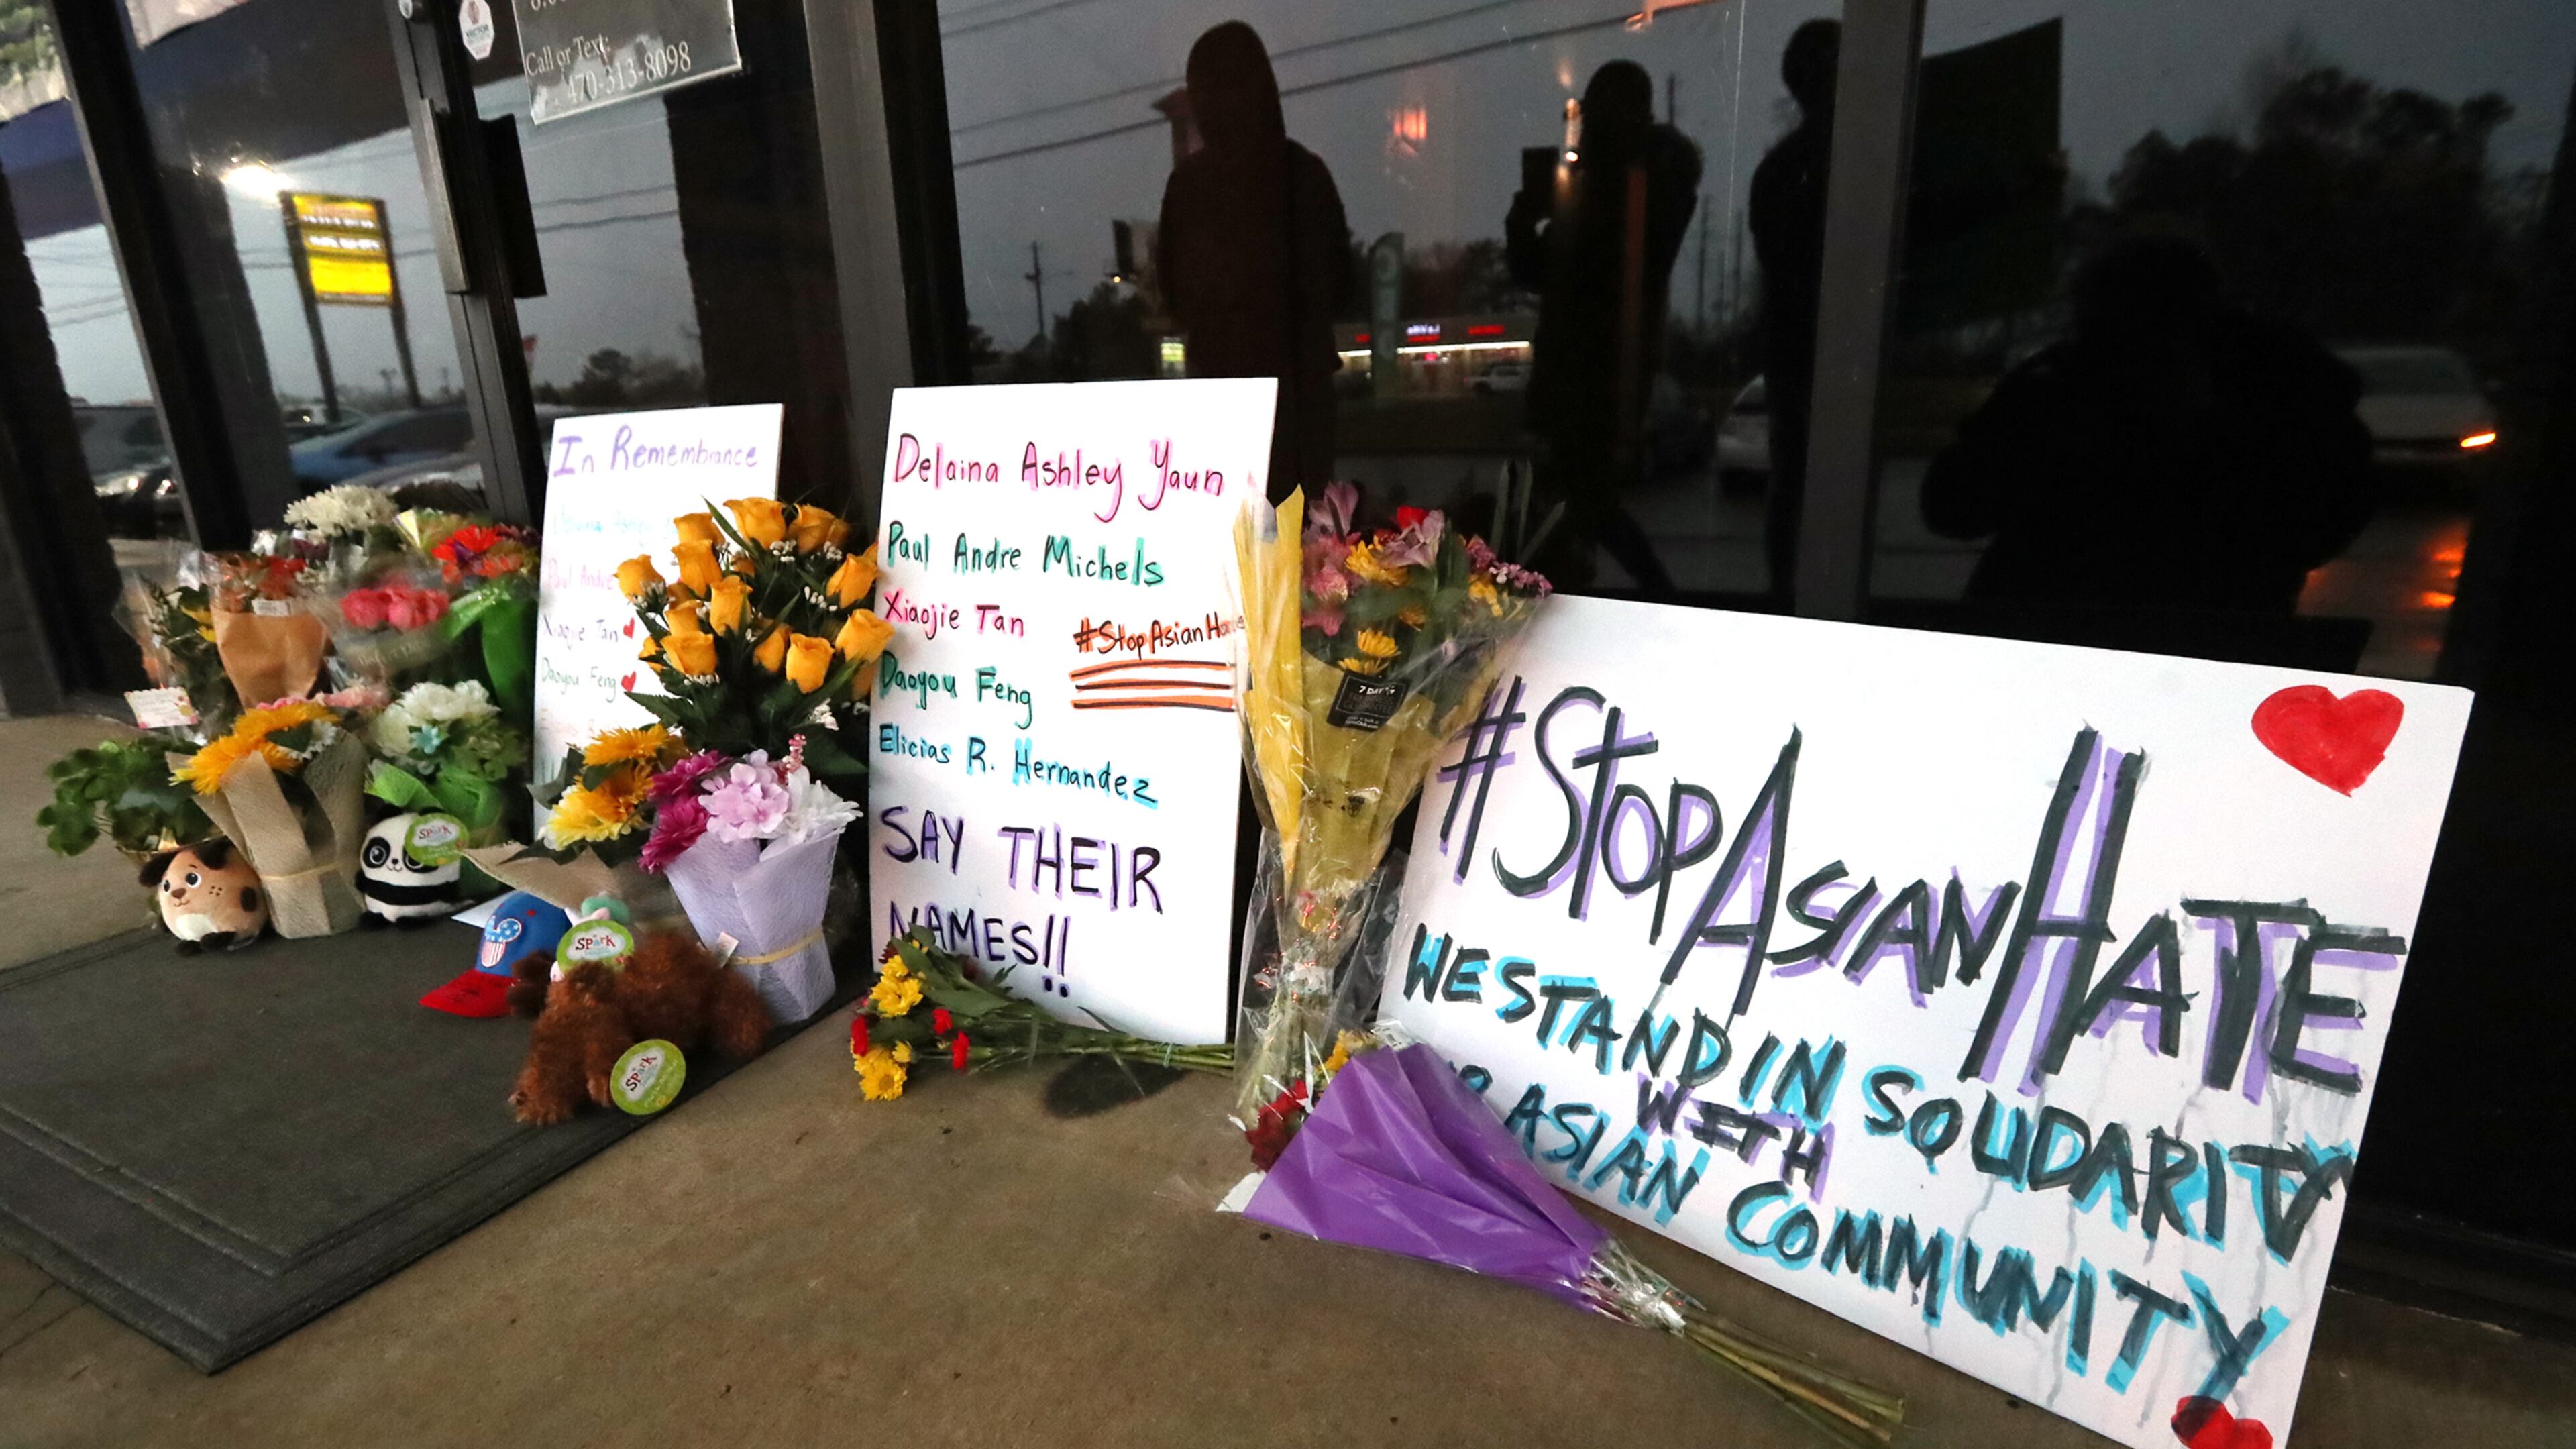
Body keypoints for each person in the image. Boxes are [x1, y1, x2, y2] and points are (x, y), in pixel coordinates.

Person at [1920, 235, 2373, 613]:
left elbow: (1953, 506)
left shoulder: (2060, 386)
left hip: (2050, 636)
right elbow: (2325, 523)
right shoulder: (2288, 392)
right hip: (2227, 642)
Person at [1506, 60, 1700, 594]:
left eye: (1595, 116)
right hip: (1587, 374)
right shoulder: (1631, 186)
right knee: (1578, 510)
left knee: (1580, 507)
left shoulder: (1639, 187)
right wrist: (1532, 214)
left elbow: (1562, 268)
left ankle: (1658, 600)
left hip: (1594, 378)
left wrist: (1546, 209)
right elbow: (1546, 270)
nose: (1586, 130)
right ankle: (1650, 598)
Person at [1157, 22, 1352, 502]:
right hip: (1304, 399)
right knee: (1310, 544)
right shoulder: (1304, 173)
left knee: (1241, 547)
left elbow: (1174, 298)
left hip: (1227, 400)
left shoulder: (1188, 189)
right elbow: (1344, 284)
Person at [1748, 19, 1839, 606]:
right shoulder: (1805, 172)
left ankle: (1789, 600)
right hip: (1806, 358)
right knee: (1804, 486)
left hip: (1795, 356)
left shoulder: (1784, 170)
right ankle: (1789, 603)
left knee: (1801, 487)